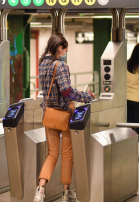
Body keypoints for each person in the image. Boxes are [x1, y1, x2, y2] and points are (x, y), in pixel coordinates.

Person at [34, 33, 94, 202]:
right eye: (65, 49)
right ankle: (66, 192)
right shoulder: (60, 65)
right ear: (60, 48)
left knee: (52, 153)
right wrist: (87, 96)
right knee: (67, 153)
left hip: (49, 114)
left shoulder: (42, 64)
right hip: (63, 115)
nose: (65, 53)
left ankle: (40, 189)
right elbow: (67, 91)